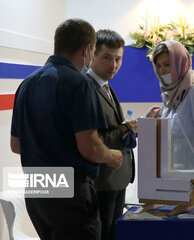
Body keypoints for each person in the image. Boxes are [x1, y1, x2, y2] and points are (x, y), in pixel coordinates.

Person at [10, 18, 123, 240]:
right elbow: (89, 147)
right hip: (70, 193)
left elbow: (16, 145)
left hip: (36, 190)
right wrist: (111, 155)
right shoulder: (79, 84)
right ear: (87, 50)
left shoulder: (26, 84)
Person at [146, 40, 194, 206]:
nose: (163, 70)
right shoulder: (169, 98)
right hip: (171, 185)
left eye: (167, 64)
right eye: (159, 66)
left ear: (181, 63)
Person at [85, 29, 137, 240]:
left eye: (118, 59)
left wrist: (131, 126)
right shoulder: (86, 87)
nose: (113, 65)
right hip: (101, 181)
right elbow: (93, 140)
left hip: (116, 178)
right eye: (107, 58)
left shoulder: (105, 86)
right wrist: (124, 128)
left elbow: (109, 127)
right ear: (92, 54)